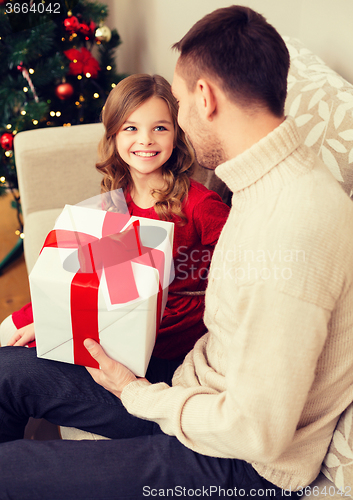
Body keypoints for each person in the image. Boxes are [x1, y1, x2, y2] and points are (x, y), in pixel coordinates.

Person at [0, 5, 353, 500]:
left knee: (8, 470)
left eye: (179, 104)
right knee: (7, 371)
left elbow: (258, 432)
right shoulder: (260, 182)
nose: (178, 122)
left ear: (204, 97)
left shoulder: (291, 232)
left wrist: (137, 393)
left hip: (238, 463)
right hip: (191, 395)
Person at [2, 74, 230, 363]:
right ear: (113, 135)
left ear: (176, 134)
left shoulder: (200, 204)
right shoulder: (117, 199)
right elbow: (103, 279)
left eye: (160, 128)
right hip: (117, 305)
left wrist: (57, 327)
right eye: (131, 128)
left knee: (19, 359)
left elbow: (243, 269)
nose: (145, 139)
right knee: (15, 325)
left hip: (160, 329)